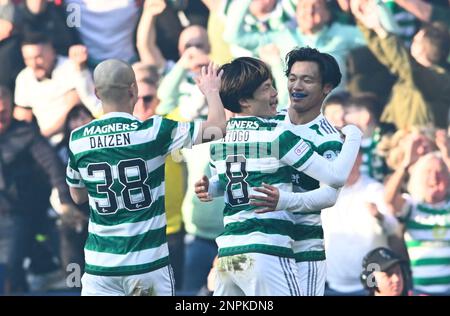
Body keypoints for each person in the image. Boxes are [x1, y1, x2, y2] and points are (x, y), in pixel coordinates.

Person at [198, 56, 362, 296]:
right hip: (270, 248)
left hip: (295, 249)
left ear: (326, 87)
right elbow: (336, 177)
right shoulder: (275, 128)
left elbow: (329, 194)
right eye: (292, 78)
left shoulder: (325, 135)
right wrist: (355, 135)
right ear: (245, 100)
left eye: (307, 80)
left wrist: (212, 187)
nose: (294, 87)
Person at [66, 59, 226, 296]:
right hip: (148, 265)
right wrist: (212, 91)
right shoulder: (153, 131)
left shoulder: (78, 139)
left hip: (101, 267)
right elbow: (217, 128)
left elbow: (78, 196)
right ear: (134, 90)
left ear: (97, 93)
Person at [0, 85, 81, 294]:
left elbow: (52, 165)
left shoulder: (25, 134)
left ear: (11, 108)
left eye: (4, 113)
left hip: (14, 217)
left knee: (8, 272)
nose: (1, 118)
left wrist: (65, 201)